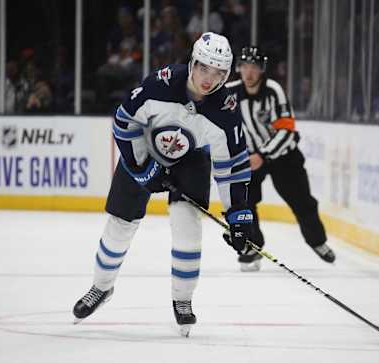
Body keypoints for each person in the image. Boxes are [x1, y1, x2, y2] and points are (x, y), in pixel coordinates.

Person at [72, 32, 253, 337]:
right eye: (204, 69)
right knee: (120, 225)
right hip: (144, 149)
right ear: (192, 62)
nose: (209, 79)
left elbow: (232, 167)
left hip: (192, 160)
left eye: (219, 73)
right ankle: (101, 288)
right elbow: (123, 122)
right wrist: (139, 167)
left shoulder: (226, 111)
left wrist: (238, 215)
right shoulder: (160, 84)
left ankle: (182, 300)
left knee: (188, 230)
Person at [225, 46, 336, 272]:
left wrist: (263, 155)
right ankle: (252, 246)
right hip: (251, 157)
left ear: (262, 70)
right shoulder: (230, 93)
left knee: (302, 201)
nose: (249, 72)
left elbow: (287, 130)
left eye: (254, 67)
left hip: (283, 156)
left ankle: (317, 240)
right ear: (239, 68)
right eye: (245, 66)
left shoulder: (273, 90)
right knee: (244, 202)